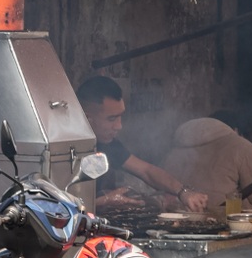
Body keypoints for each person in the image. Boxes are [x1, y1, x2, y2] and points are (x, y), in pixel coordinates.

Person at [76, 76, 208, 212]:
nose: (119, 126)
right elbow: (56, 206)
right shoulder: (63, 148)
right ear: (87, 119)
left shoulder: (108, 144)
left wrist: (183, 192)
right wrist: (102, 201)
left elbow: (147, 171)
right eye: (112, 119)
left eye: (121, 116)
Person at [161, 111, 252, 211]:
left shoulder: (175, 148)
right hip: (226, 226)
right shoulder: (242, 146)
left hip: (176, 224)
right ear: (235, 130)